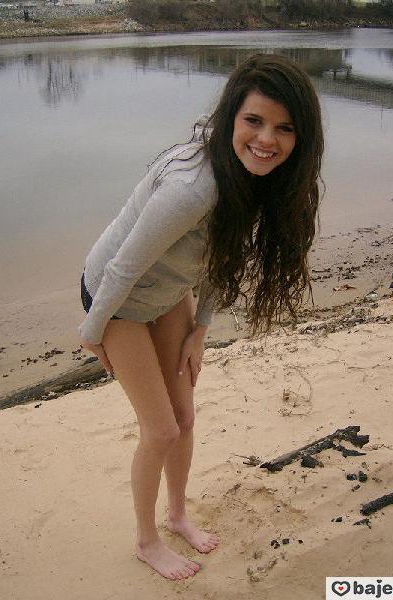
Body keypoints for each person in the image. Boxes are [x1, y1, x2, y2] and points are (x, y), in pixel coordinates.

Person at [78, 53, 324, 581]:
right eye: (254, 121)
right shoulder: (193, 188)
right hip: (116, 299)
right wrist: (93, 333)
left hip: (167, 294)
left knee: (186, 419)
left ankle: (177, 516)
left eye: (284, 128)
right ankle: (147, 541)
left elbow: (220, 257)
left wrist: (201, 330)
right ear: (232, 115)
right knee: (161, 430)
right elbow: (122, 268)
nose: (267, 139)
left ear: (301, 138)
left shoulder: (253, 175)